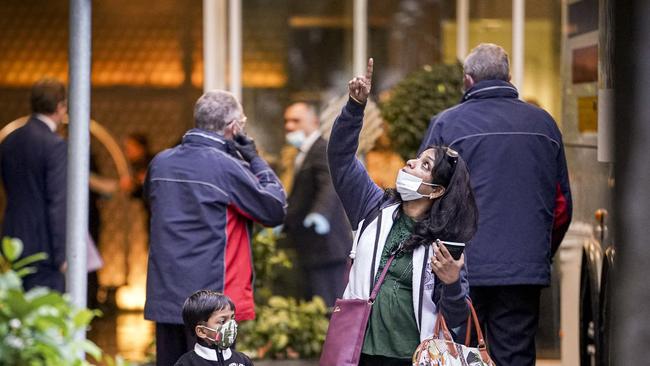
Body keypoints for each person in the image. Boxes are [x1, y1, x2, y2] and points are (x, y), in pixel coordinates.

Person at [420, 43, 573, 365]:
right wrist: (537, 253)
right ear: (509, 77)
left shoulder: (447, 125)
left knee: (457, 354)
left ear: (468, 80)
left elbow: (425, 193)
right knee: (514, 356)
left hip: (459, 269)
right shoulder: (544, 124)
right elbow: (561, 205)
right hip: (522, 271)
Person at [328, 58, 478, 365]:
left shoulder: (444, 242)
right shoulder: (373, 206)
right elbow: (341, 159)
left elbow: (458, 320)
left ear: (437, 191)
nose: (411, 163)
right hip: (358, 351)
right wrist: (355, 108)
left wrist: (451, 282)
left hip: (412, 356)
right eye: (417, 158)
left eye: (425, 165)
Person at [144, 90, 286, 366]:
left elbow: (150, 202)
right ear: (233, 127)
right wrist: (255, 159)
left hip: (166, 293)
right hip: (210, 303)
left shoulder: (160, 163)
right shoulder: (226, 166)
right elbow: (274, 209)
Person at [282, 102, 352, 307]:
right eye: (286, 121)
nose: (289, 126)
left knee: (329, 310)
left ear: (314, 121)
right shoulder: (301, 153)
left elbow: (329, 184)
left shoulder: (322, 148)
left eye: (295, 120)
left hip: (327, 248)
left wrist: (320, 214)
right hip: (311, 248)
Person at [1, 78, 67, 292]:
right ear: (60, 106)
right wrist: (62, 254)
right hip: (44, 246)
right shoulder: (55, 145)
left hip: (11, 239)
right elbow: (58, 202)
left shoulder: (9, 141)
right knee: (45, 315)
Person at [174, 290, 253, 366]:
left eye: (232, 318)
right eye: (222, 321)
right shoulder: (186, 363)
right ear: (201, 331)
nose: (231, 325)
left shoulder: (243, 361)